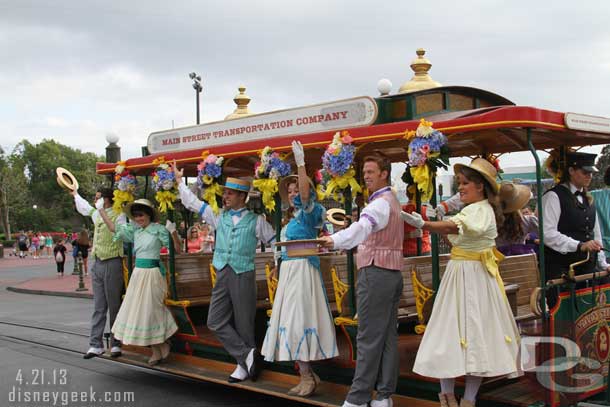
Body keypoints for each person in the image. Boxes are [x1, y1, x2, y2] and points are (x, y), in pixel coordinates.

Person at [402, 158, 521, 407]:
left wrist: (427, 224)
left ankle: (467, 400)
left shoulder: (481, 210)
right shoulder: (472, 210)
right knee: (451, 333)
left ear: (480, 186)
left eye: (465, 183)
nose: (461, 188)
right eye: (459, 184)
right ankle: (448, 398)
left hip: (474, 277)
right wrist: (436, 223)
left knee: (475, 335)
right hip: (461, 274)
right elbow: (455, 230)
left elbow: (453, 225)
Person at [173, 160, 276, 383]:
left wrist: (280, 264)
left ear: (242, 197)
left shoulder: (257, 221)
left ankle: (243, 366)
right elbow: (193, 203)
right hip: (222, 272)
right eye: (225, 193)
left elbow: (276, 241)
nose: (225, 197)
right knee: (215, 320)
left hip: (243, 273)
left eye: (230, 194)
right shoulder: (218, 217)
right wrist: (180, 182)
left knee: (244, 323)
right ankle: (246, 355)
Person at [319, 154, 404, 407]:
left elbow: (362, 229)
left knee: (367, 338)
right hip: (392, 273)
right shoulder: (392, 201)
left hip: (375, 273)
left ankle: (357, 399)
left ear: (384, 173)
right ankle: (385, 396)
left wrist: (334, 240)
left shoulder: (378, 204)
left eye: (370, 172)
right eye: (364, 172)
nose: (366, 176)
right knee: (387, 337)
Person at [261, 141, 337, 397]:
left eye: (297, 189)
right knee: (290, 321)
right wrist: (276, 267)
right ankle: (308, 374)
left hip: (303, 271)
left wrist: (301, 163)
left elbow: (306, 196)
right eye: (290, 190)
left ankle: (307, 376)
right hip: (290, 272)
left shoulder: (310, 212)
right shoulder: (290, 217)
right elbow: (283, 248)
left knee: (298, 321)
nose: (294, 193)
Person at [98, 198, 181, 365]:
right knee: (140, 312)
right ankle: (157, 349)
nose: (138, 218)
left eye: (141, 215)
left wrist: (172, 232)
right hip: (138, 275)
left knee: (151, 311)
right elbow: (114, 228)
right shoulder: (135, 231)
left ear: (149, 215)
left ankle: (162, 344)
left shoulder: (158, 230)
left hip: (152, 274)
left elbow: (177, 250)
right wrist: (101, 211)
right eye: (135, 216)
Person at [72, 187, 126, 359]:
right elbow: (85, 208)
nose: (96, 201)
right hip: (98, 261)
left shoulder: (119, 214)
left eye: (98, 198)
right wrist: (75, 194)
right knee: (99, 306)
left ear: (107, 199)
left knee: (114, 305)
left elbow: (118, 231)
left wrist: (102, 210)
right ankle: (95, 344)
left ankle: (116, 344)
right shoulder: (96, 213)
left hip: (113, 261)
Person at [542, 151, 610, 285]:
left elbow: (595, 235)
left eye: (591, 173)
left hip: (587, 270)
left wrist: (603, 264)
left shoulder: (588, 198)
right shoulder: (553, 197)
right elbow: (547, 234)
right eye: (585, 172)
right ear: (571, 171)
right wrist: (578, 245)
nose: (589, 176)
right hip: (562, 272)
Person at [496, 182, 538, 256]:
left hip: (499, 261)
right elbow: (547, 234)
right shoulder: (527, 220)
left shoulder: (491, 223)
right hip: (523, 261)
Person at [402, 187, 431, 257]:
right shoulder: (427, 211)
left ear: (406, 194)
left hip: (406, 251)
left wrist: (410, 235)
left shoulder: (400, 211)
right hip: (424, 249)